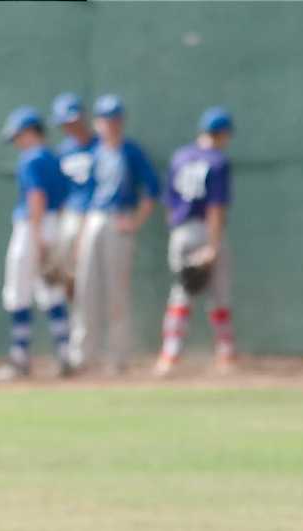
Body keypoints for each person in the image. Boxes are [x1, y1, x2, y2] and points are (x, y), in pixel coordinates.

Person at [73, 95, 162, 374]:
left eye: (114, 119)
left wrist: (136, 221)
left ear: (121, 122)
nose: (109, 125)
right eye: (104, 119)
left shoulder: (131, 152)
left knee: (117, 292)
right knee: (85, 288)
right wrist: (81, 233)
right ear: (97, 123)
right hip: (94, 219)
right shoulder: (95, 152)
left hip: (119, 218)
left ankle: (118, 356)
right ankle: (83, 355)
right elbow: (87, 196)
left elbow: (152, 190)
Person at [0, 105, 74, 383]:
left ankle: (20, 359)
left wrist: (37, 238)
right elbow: (61, 200)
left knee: (18, 291)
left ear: (29, 132)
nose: (16, 141)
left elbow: (36, 195)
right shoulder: (53, 157)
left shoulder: (31, 159)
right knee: (50, 291)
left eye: (17, 135)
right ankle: (64, 354)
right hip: (54, 224)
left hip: (32, 227)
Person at [157, 107, 238, 376]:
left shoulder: (180, 157)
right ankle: (226, 355)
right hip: (205, 229)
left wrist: (177, 232)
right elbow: (216, 208)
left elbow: (168, 203)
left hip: (180, 232)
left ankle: (169, 356)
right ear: (223, 133)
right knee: (218, 295)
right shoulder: (217, 161)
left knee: (181, 293)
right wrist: (212, 247)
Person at [51, 91, 98, 327]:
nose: (70, 126)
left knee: (92, 277)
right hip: (70, 216)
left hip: (96, 216)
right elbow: (58, 193)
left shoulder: (100, 147)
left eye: (74, 120)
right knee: (67, 277)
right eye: (65, 122)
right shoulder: (63, 152)